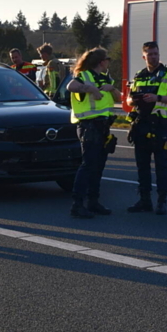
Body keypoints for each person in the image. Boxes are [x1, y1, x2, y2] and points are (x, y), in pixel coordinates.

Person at [126, 41, 167, 215]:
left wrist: (157, 97)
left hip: (160, 126)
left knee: (161, 165)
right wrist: (134, 100)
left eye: (156, 53)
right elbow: (128, 100)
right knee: (142, 165)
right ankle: (144, 200)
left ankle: (162, 201)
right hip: (141, 125)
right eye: (150, 54)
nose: (153, 57)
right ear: (144, 56)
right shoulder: (139, 75)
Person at [66, 47, 120, 218]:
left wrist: (111, 88)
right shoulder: (84, 76)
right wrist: (90, 89)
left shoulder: (106, 78)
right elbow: (71, 86)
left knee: (98, 166)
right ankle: (77, 204)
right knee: (88, 165)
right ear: (101, 61)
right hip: (88, 126)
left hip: (103, 127)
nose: (108, 63)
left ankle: (93, 202)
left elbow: (119, 98)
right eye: (107, 59)